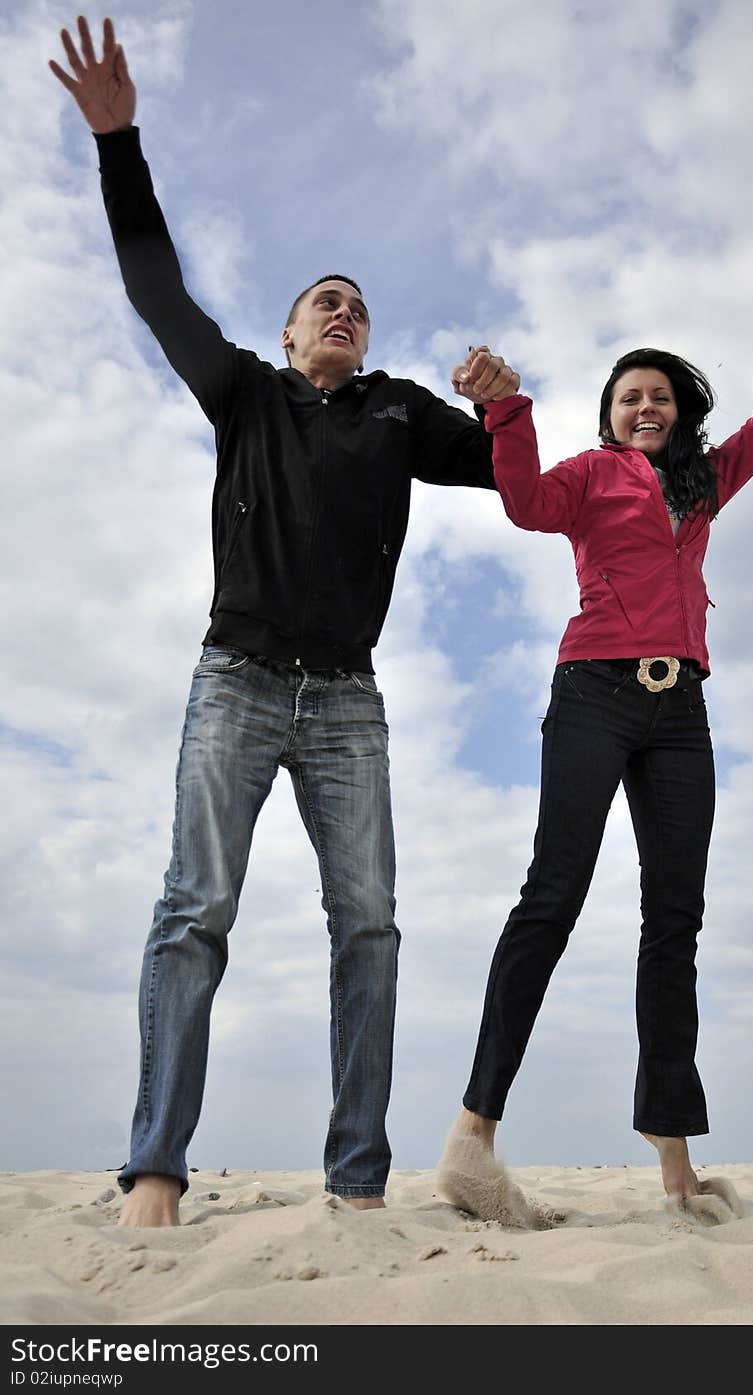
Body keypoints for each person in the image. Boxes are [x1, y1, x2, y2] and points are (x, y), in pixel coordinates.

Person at [50, 16, 509, 1227]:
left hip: (348, 700)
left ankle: (357, 1181)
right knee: (193, 911)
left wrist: (503, 403)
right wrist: (118, 146)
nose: (345, 310)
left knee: (369, 928)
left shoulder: (402, 414)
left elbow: (519, 482)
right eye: (325, 300)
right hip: (238, 680)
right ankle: (155, 1172)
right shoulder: (244, 392)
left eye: (359, 301)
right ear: (292, 329)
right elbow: (156, 289)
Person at [436, 296, 753, 1227]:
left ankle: (677, 1167)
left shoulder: (703, 482)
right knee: (554, 893)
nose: (644, 406)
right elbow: (525, 502)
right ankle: (472, 1137)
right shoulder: (588, 476)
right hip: (595, 695)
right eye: (628, 397)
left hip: (681, 710)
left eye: (659, 396)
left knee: (675, 921)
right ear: (609, 414)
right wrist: (507, 410)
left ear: (680, 412)